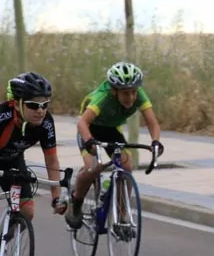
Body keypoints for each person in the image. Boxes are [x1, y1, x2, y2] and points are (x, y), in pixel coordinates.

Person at [65, 61, 163, 230]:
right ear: (114, 91)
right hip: (90, 129)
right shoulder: (103, 97)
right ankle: (76, 202)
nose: (131, 97)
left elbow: (152, 122)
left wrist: (155, 141)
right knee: (93, 167)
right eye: (125, 93)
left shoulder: (140, 95)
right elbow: (82, 123)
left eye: (133, 92)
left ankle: (122, 216)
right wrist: (89, 141)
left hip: (111, 130)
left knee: (126, 166)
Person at [0, 72, 68, 220]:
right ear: (16, 104)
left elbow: (51, 160)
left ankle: (8, 233)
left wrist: (56, 197)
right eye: (33, 105)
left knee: (27, 213)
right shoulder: (3, 116)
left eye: (45, 105)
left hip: (13, 161)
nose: (40, 111)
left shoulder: (46, 122)